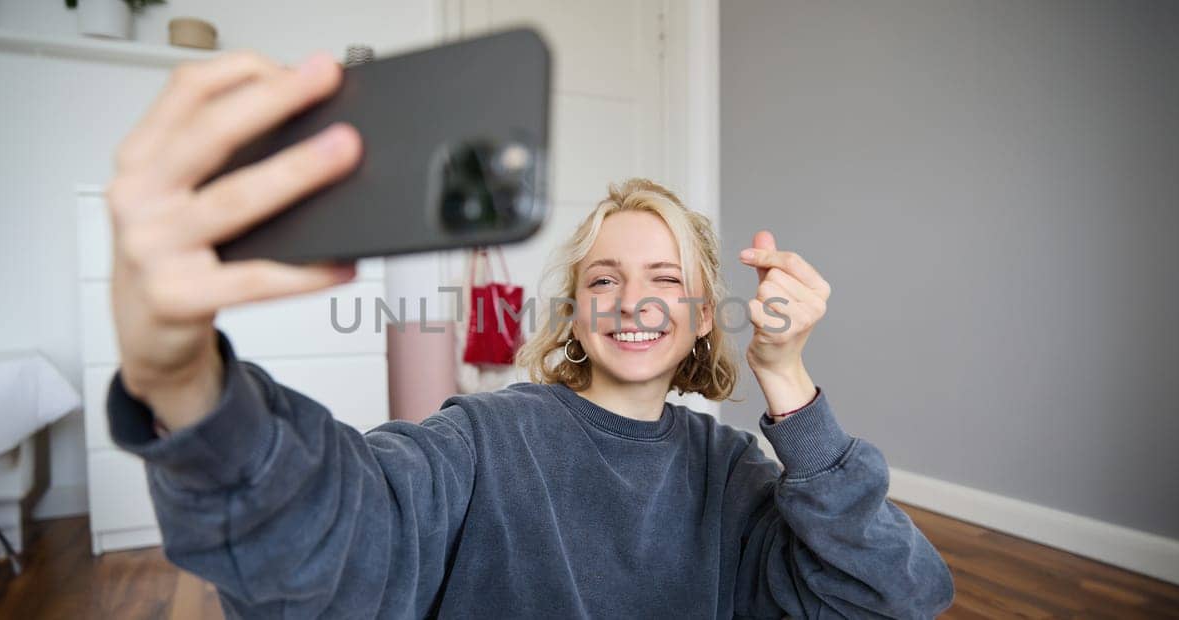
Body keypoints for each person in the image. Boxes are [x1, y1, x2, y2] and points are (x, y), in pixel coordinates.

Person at [103, 50, 954, 618]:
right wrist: (181, 382)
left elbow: (897, 595)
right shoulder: (487, 436)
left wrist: (789, 380)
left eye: (667, 282)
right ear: (578, 313)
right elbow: (344, 543)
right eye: (604, 279)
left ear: (702, 319)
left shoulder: (729, 474)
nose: (634, 302)